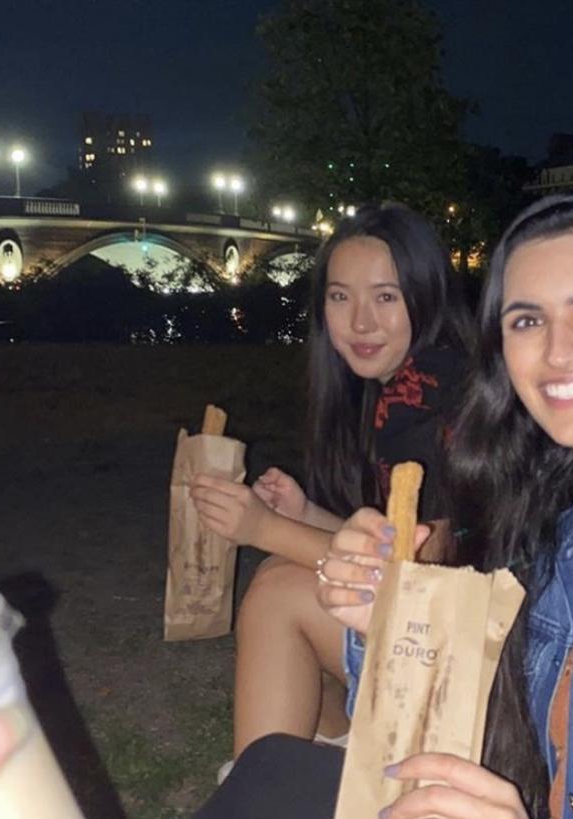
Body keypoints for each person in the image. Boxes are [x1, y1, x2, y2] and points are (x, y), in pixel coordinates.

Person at [198, 190, 573, 819]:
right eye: (526, 320)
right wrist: (383, 619)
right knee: (267, 780)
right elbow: (525, 733)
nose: (558, 350)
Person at [190, 202, 473, 766]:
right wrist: (306, 516)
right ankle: (324, 762)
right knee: (290, 593)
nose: (360, 322)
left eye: (386, 297)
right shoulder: (412, 377)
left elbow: (419, 569)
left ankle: (260, 796)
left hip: (474, 653)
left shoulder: (425, 390)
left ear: (426, 296)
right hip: (457, 624)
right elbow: (399, 538)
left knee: (277, 592)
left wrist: (266, 528)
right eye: (340, 296)